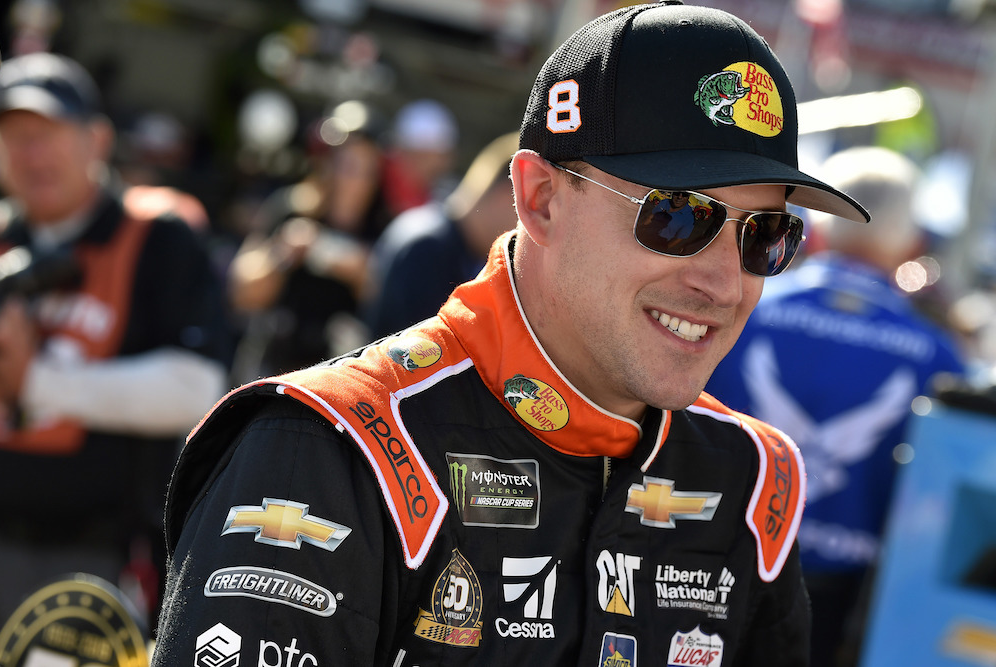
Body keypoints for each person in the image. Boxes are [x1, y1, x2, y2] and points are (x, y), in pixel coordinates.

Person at [152, 4, 870, 665]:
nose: (725, 283)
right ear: (541, 199)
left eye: (764, 235)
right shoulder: (334, 449)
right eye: (678, 216)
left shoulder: (753, 482)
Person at [0, 52, 231, 631]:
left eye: (48, 134)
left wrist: (36, 382)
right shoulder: (2, 239)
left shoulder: (158, 234)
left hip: (96, 558)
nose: (31, 154)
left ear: (97, 140)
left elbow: (195, 389)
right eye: (14, 137)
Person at [705, 146, 966, 666]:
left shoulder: (737, 311)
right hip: (839, 607)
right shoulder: (939, 358)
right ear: (913, 245)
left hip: (704, 562)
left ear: (815, 233)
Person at [226, 100, 390, 381]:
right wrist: (283, 253)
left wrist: (358, 272)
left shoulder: (384, 229)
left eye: (361, 166)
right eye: (343, 162)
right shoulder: (293, 209)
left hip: (339, 377)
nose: (350, 176)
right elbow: (242, 293)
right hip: (276, 362)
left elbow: (393, 313)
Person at [362, 131, 519, 339]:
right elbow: (424, 349)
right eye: (526, 212)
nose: (525, 233)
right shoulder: (427, 249)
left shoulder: (441, 239)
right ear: (508, 195)